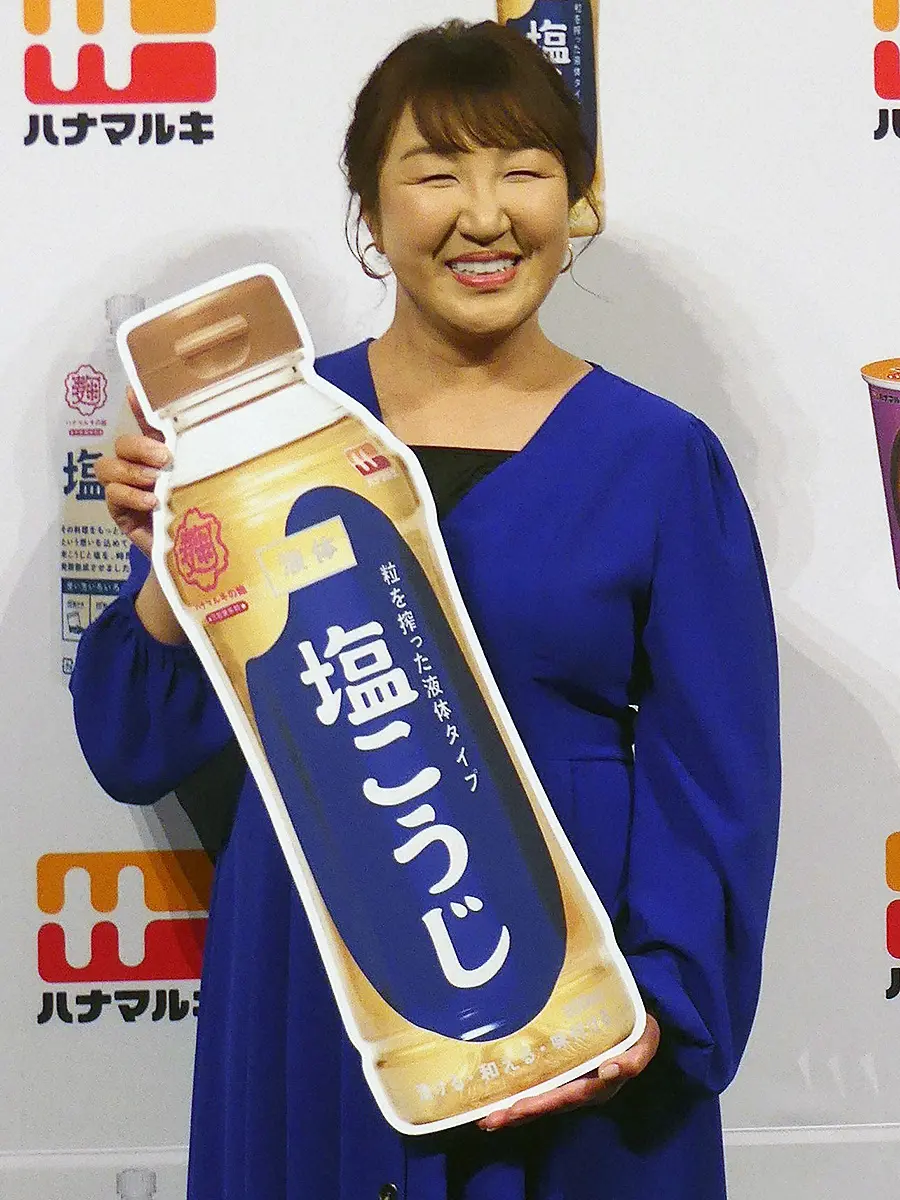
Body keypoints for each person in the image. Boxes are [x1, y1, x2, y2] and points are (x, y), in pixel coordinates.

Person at [70, 20, 780, 1200]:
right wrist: (170, 560)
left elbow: (716, 784)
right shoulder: (263, 436)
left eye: (525, 170)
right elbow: (132, 746)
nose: (484, 215)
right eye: (436, 172)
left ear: (575, 201)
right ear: (370, 208)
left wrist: (656, 1006)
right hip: (322, 992)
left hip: (568, 1001)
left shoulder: (660, 459)